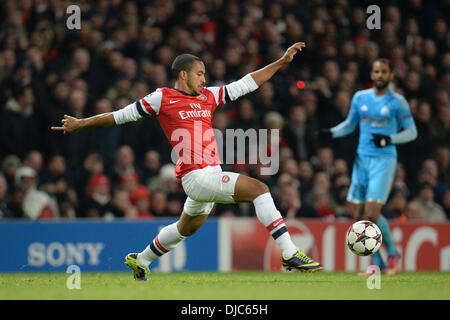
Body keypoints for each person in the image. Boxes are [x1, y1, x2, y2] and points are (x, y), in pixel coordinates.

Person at [51, 42, 323, 280]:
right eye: (200, 73)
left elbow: (246, 83)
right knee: (260, 190)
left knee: (185, 228)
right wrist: (82, 123)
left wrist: (282, 61)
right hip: (197, 176)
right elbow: (121, 115)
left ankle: (141, 260)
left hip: (209, 173)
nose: (204, 79)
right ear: (183, 74)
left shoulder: (209, 97)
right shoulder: (162, 98)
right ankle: (289, 253)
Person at [319, 58, 417, 276]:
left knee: (371, 212)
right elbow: (350, 124)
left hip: (383, 161)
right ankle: (378, 263)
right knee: (357, 212)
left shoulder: (398, 102)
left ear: (391, 75)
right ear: (371, 75)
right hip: (362, 160)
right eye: (376, 71)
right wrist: (331, 133)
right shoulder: (360, 98)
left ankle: (392, 253)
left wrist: (390, 139)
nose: (379, 75)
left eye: (384, 72)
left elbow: (412, 132)